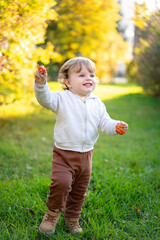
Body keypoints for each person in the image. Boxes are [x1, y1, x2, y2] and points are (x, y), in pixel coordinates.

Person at [34, 57, 128, 235]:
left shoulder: (97, 103)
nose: (88, 77)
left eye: (91, 74)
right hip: (64, 153)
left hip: (86, 156)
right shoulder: (62, 98)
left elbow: (104, 122)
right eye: (82, 74)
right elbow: (45, 99)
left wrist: (115, 126)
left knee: (79, 190)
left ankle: (72, 218)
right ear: (68, 82)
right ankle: (51, 215)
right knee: (61, 184)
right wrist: (41, 84)